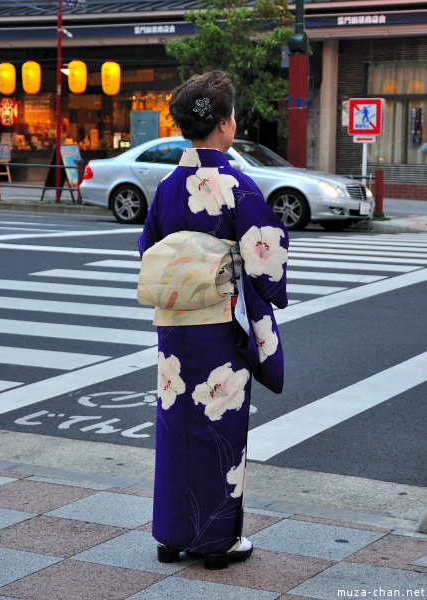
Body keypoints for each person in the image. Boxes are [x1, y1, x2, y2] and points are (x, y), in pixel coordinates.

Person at [137, 71, 288, 570]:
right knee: (219, 426)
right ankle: (217, 542)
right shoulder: (236, 185)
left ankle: (171, 536)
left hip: (176, 329)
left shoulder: (165, 185)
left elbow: (148, 249)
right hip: (221, 327)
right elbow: (265, 259)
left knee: (175, 425)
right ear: (225, 125)